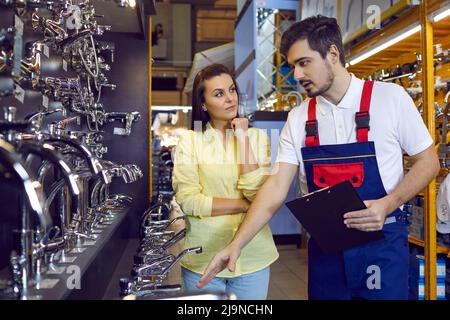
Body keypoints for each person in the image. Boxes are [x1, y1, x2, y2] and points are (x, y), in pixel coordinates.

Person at [197, 16, 440, 300]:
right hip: (326, 253)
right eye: (292, 66)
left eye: (304, 62)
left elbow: (429, 161)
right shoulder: (299, 118)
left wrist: (389, 203)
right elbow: (275, 189)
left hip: (382, 248)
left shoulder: (390, 99)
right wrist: (236, 243)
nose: (297, 75)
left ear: (333, 54)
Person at [172, 63, 279, 299]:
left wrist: (241, 136)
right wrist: (242, 205)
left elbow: (257, 193)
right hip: (203, 255)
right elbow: (189, 201)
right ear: (203, 104)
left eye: (232, 90)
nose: (230, 98)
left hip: (253, 256)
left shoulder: (257, 138)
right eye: (219, 94)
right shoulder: (190, 142)